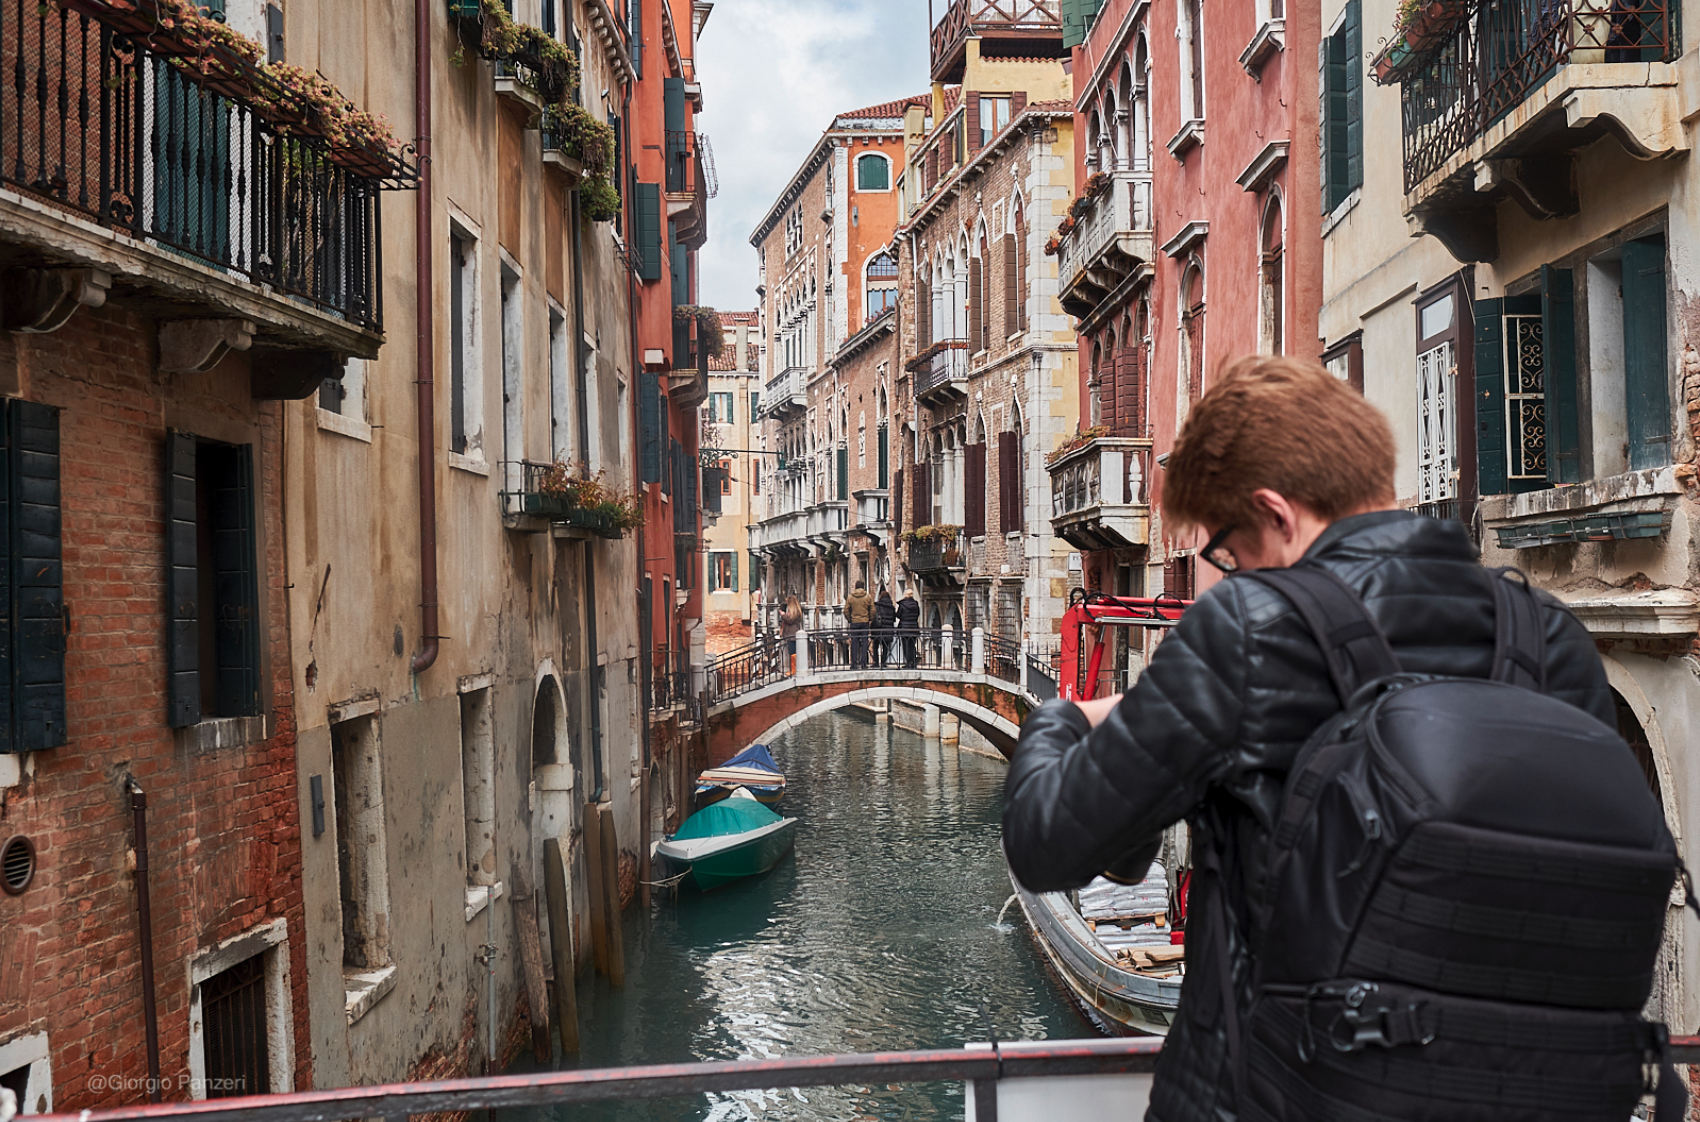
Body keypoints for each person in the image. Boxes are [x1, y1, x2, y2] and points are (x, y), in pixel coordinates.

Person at [1002, 357, 1611, 1122]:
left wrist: (1069, 718)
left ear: (1277, 515)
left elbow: (1047, 844)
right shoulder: (1551, 637)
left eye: (1227, 551)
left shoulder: (1250, 634)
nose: (1230, 574)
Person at [845, 581, 873, 669]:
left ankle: (854, 664)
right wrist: (869, 618)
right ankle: (864, 663)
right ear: (863, 587)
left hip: (854, 622)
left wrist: (850, 619)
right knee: (865, 642)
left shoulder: (850, 597)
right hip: (864, 622)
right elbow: (873, 609)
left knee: (854, 643)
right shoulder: (868, 597)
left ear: (855, 587)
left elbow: (846, 610)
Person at [895, 587, 921, 669]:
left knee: (905, 645)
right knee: (912, 645)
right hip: (913, 627)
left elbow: (898, 615)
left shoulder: (902, 605)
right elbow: (917, 615)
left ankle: (908, 663)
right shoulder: (916, 604)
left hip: (904, 628)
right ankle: (913, 662)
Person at [778, 595, 803, 675]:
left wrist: (783, 615)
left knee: (793, 652)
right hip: (790, 635)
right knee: (791, 652)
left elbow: (790, 621)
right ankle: (792, 669)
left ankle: (794, 670)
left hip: (793, 635)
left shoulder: (795, 612)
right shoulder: (793, 611)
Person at [872, 587, 896, 668]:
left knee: (876, 645)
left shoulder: (876, 606)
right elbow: (894, 619)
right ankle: (883, 662)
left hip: (878, 629)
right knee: (885, 646)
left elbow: (873, 617)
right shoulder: (892, 607)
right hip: (888, 629)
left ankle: (876, 662)